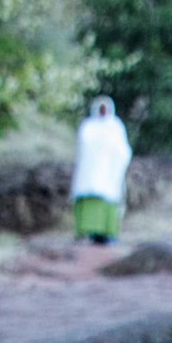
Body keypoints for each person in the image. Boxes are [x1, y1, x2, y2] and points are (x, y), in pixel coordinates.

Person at [70, 94, 131, 245]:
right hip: (89, 173)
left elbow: (122, 150)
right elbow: (83, 148)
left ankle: (107, 234)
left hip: (109, 174)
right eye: (101, 109)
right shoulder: (88, 126)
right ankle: (88, 233)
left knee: (108, 200)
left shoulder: (116, 127)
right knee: (90, 198)